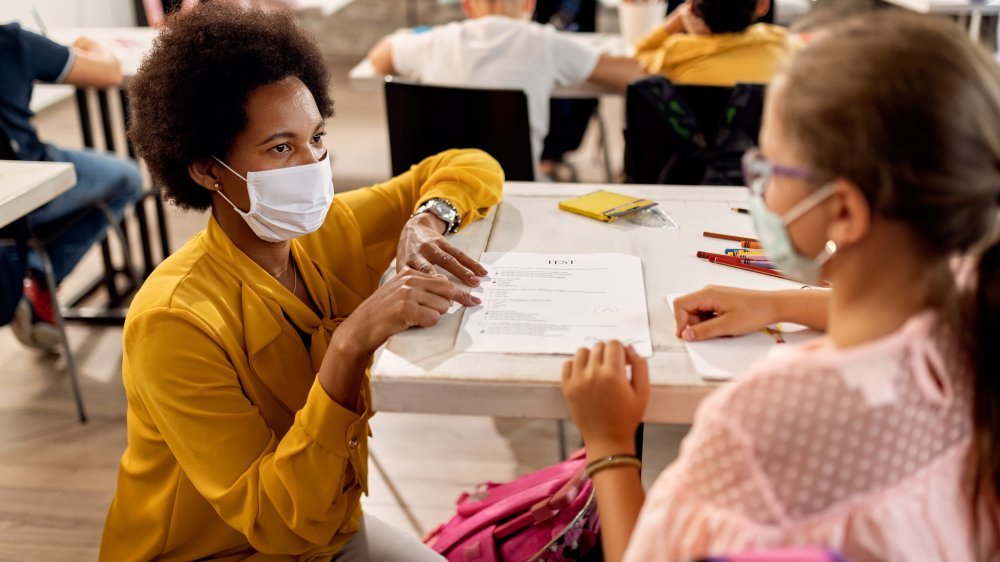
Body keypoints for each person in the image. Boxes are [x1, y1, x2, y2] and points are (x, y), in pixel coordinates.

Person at [561, 11, 1000, 562]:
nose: (759, 193)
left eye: (770, 169)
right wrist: (775, 302)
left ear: (842, 210)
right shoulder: (974, 321)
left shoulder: (760, 419)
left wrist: (609, 443)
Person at [99, 4, 502, 561]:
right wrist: (350, 343)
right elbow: (275, 522)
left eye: (317, 137)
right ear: (207, 169)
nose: (313, 164)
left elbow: (472, 163)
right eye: (281, 148)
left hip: (325, 528)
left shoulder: (330, 230)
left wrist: (426, 219)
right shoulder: (174, 322)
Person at [367, 0, 645, 174]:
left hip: (433, 189)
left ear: (467, 6)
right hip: (515, 191)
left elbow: (379, 57)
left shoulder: (435, 42)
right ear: (530, 5)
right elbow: (634, 74)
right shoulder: (544, 43)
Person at [0, 23, 143, 350]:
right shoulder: (13, 42)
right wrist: (89, 45)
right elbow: (108, 73)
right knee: (128, 178)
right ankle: (36, 275)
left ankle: (23, 268)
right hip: (32, 183)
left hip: (4, 195)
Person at [634, 0, 788, 86]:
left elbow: (641, 54)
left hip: (694, 143)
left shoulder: (676, 54)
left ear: (691, 8)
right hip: (760, 143)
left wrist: (677, 20)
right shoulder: (782, 44)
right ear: (763, 5)